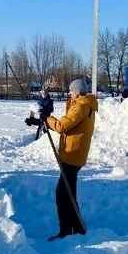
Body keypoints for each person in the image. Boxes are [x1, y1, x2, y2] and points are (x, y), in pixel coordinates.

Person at [44, 78, 97, 241]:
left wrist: (47, 118)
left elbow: (62, 126)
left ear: (77, 91)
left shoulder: (81, 107)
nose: (69, 94)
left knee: (62, 193)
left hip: (72, 155)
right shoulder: (85, 104)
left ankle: (66, 229)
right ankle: (76, 226)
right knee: (68, 191)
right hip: (75, 154)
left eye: (71, 91)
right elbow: (70, 121)